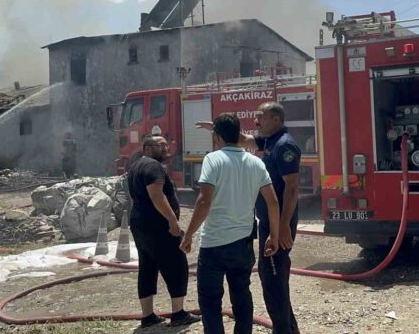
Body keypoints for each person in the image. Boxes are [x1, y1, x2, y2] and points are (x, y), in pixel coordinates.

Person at [197, 101, 302, 334]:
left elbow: (292, 189)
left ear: (276, 119)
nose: (256, 121)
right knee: (269, 278)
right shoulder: (271, 141)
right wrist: (217, 128)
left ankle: (284, 330)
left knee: (275, 281)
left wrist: (282, 228)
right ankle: (288, 328)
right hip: (267, 224)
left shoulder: (285, 146)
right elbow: (243, 140)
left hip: (278, 224)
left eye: (261, 116)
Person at [181, 113, 281, 334]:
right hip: (242, 245)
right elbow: (273, 202)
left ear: (216, 137)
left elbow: (204, 200)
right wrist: (274, 236)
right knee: (242, 296)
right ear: (239, 134)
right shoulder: (256, 162)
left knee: (210, 302)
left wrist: (188, 235)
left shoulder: (212, 159)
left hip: (213, 245)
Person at [127, 135, 200, 328]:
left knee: (147, 267)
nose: (166, 148)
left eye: (167, 144)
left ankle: (148, 316)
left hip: (139, 223)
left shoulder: (136, 166)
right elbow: (157, 196)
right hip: (157, 226)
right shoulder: (153, 166)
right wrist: (173, 221)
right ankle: (178, 314)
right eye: (161, 145)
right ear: (147, 149)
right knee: (176, 265)